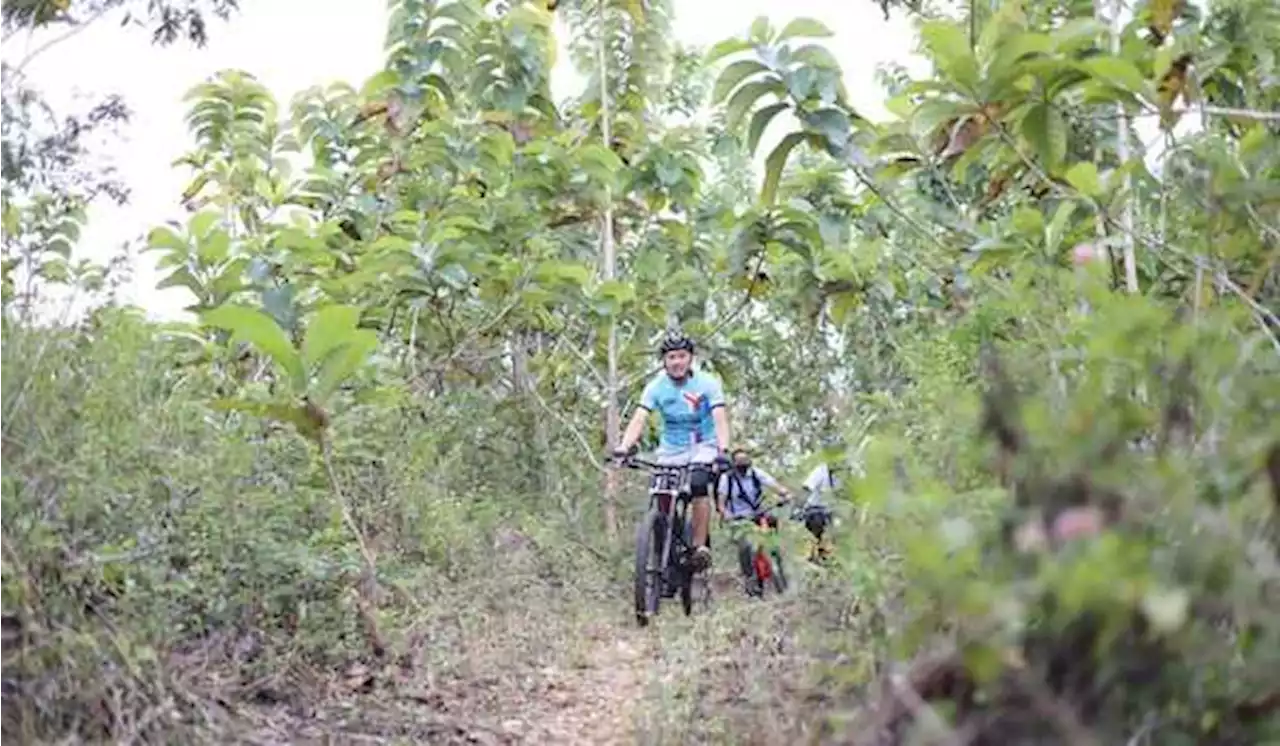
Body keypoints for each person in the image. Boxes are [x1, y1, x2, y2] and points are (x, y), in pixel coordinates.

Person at [611, 330, 731, 573]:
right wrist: (623, 448)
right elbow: (640, 417)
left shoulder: (707, 383)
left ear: (690, 359)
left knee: (698, 482)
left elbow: (720, 418)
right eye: (671, 357)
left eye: (681, 356)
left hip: (703, 445)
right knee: (661, 494)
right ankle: (663, 548)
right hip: (671, 448)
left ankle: (699, 548)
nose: (676, 362)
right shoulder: (655, 387)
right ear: (664, 361)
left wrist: (723, 450)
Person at [718, 446, 791, 595]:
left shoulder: (756, 474)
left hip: (758, 514)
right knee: (745, 546)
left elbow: (774, 485)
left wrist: (785, 494)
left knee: (773, 539)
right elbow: (721, 503)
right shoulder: (727, 479)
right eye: (739, 462)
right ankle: (750, 581)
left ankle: (780, 576)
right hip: (739, 520)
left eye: (745, 461)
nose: (743, 465)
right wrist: (726, 514)